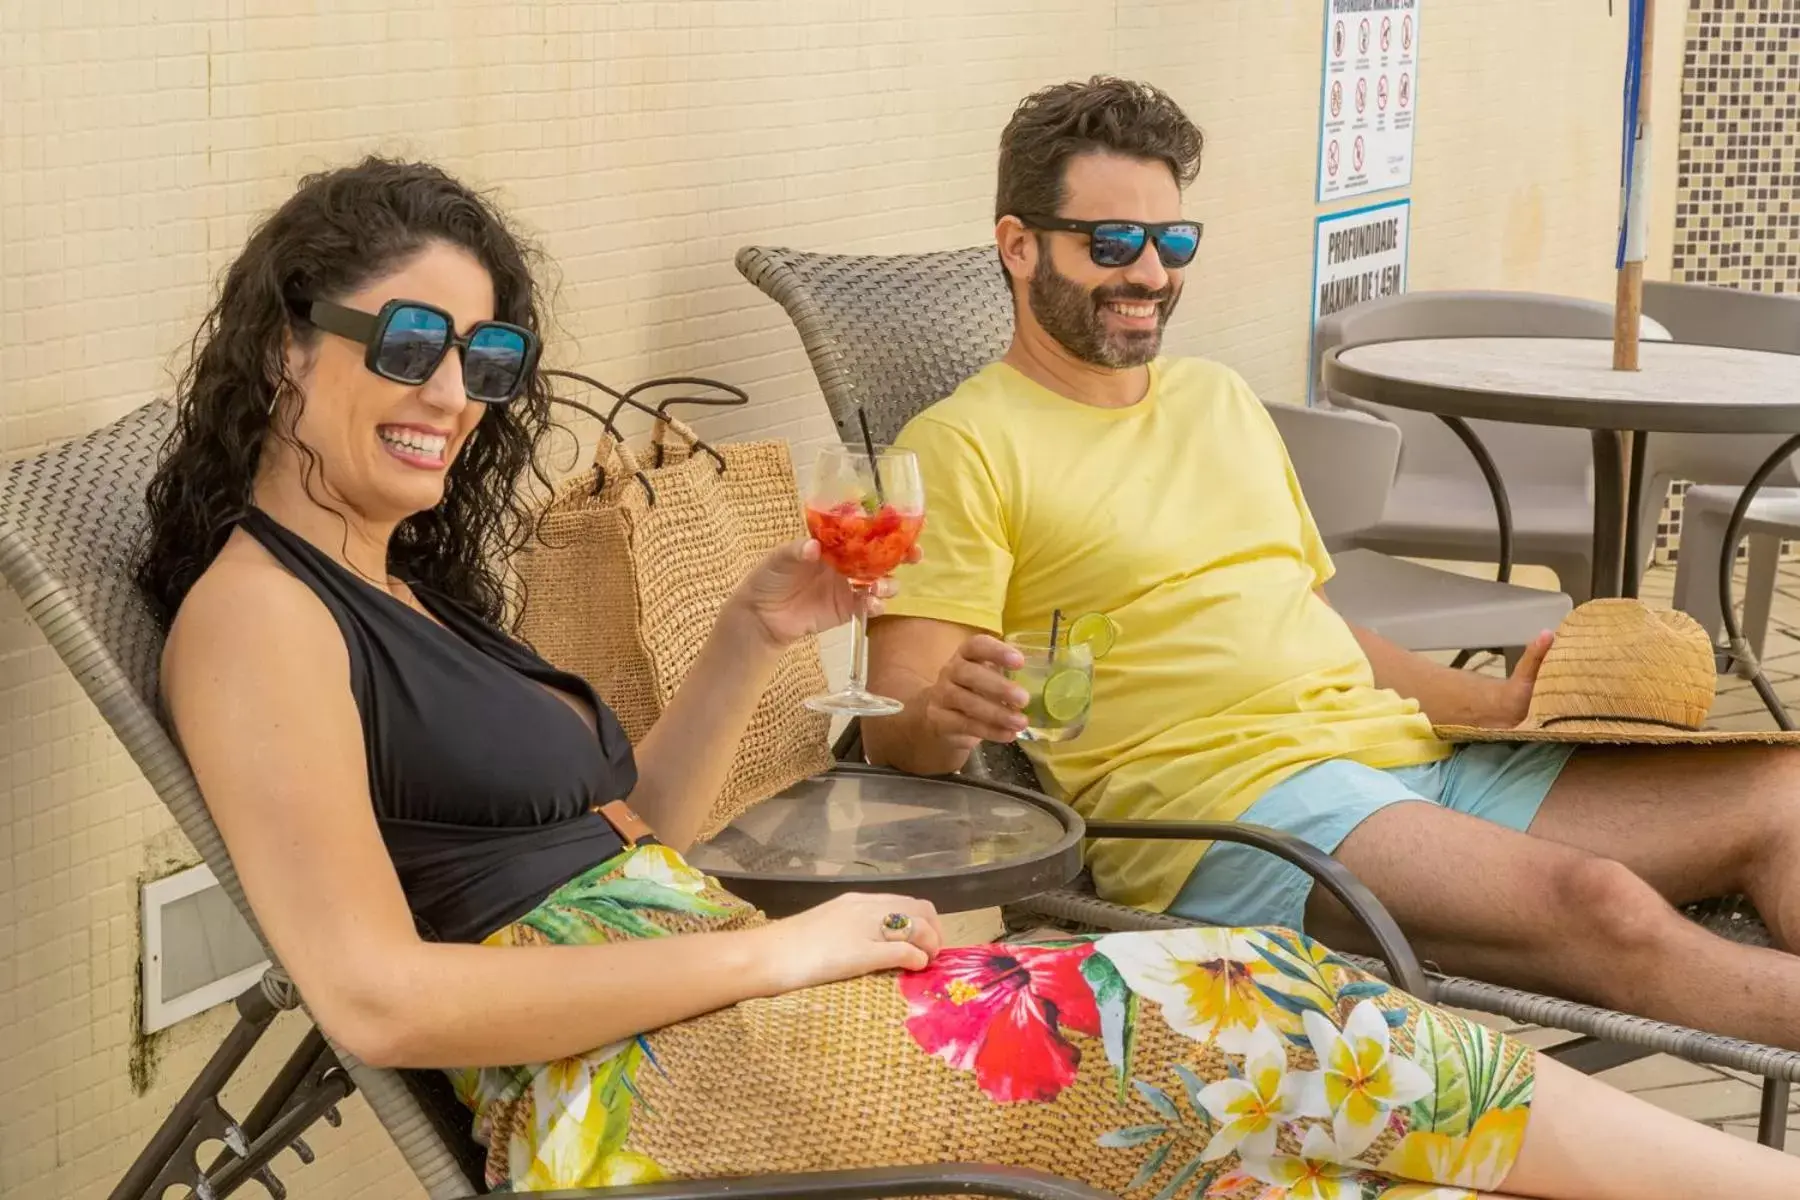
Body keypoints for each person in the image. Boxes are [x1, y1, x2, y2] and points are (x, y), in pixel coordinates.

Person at [139, 155, 1795, 1198]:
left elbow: (633, 815)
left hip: (701, 1004)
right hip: (646, 1089)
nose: (453, 391)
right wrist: (782, 961)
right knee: (1288, 1015)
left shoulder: (393, 580)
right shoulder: (260, 615)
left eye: (488, 357)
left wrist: (749, 636)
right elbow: (379, 998)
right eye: (405, 345)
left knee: (1330, 1166)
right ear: (291, 340)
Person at [864, 73, 1800, 1062]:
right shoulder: (964, 446)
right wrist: (946, 714)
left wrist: (1495, 706)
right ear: (1019, 245)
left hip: (1408, 765)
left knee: (1781, 790)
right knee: (1601, 904)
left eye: (1172, 242)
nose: (1149, 273)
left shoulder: (1215, 397)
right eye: (1111, 245)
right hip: (1238, 811)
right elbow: (893, 731)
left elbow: (1312, 622)